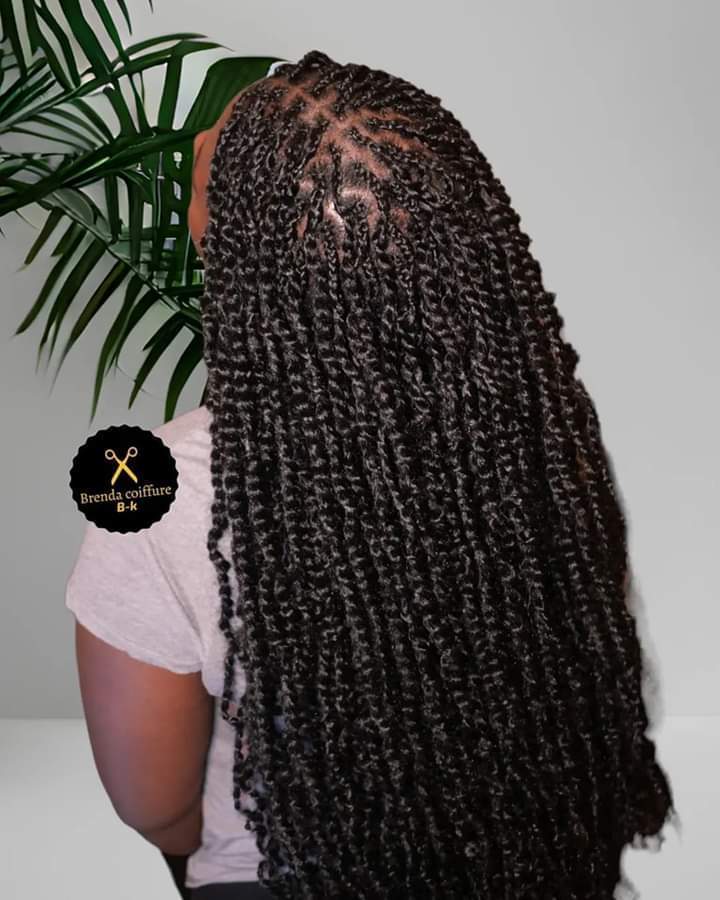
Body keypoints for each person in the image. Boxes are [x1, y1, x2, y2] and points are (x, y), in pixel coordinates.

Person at [65, 49, 679, 899]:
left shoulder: (154, 497)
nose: (196, 148)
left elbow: (157, 806)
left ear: (226, 248)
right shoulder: (538, 433)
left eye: (206, 179)